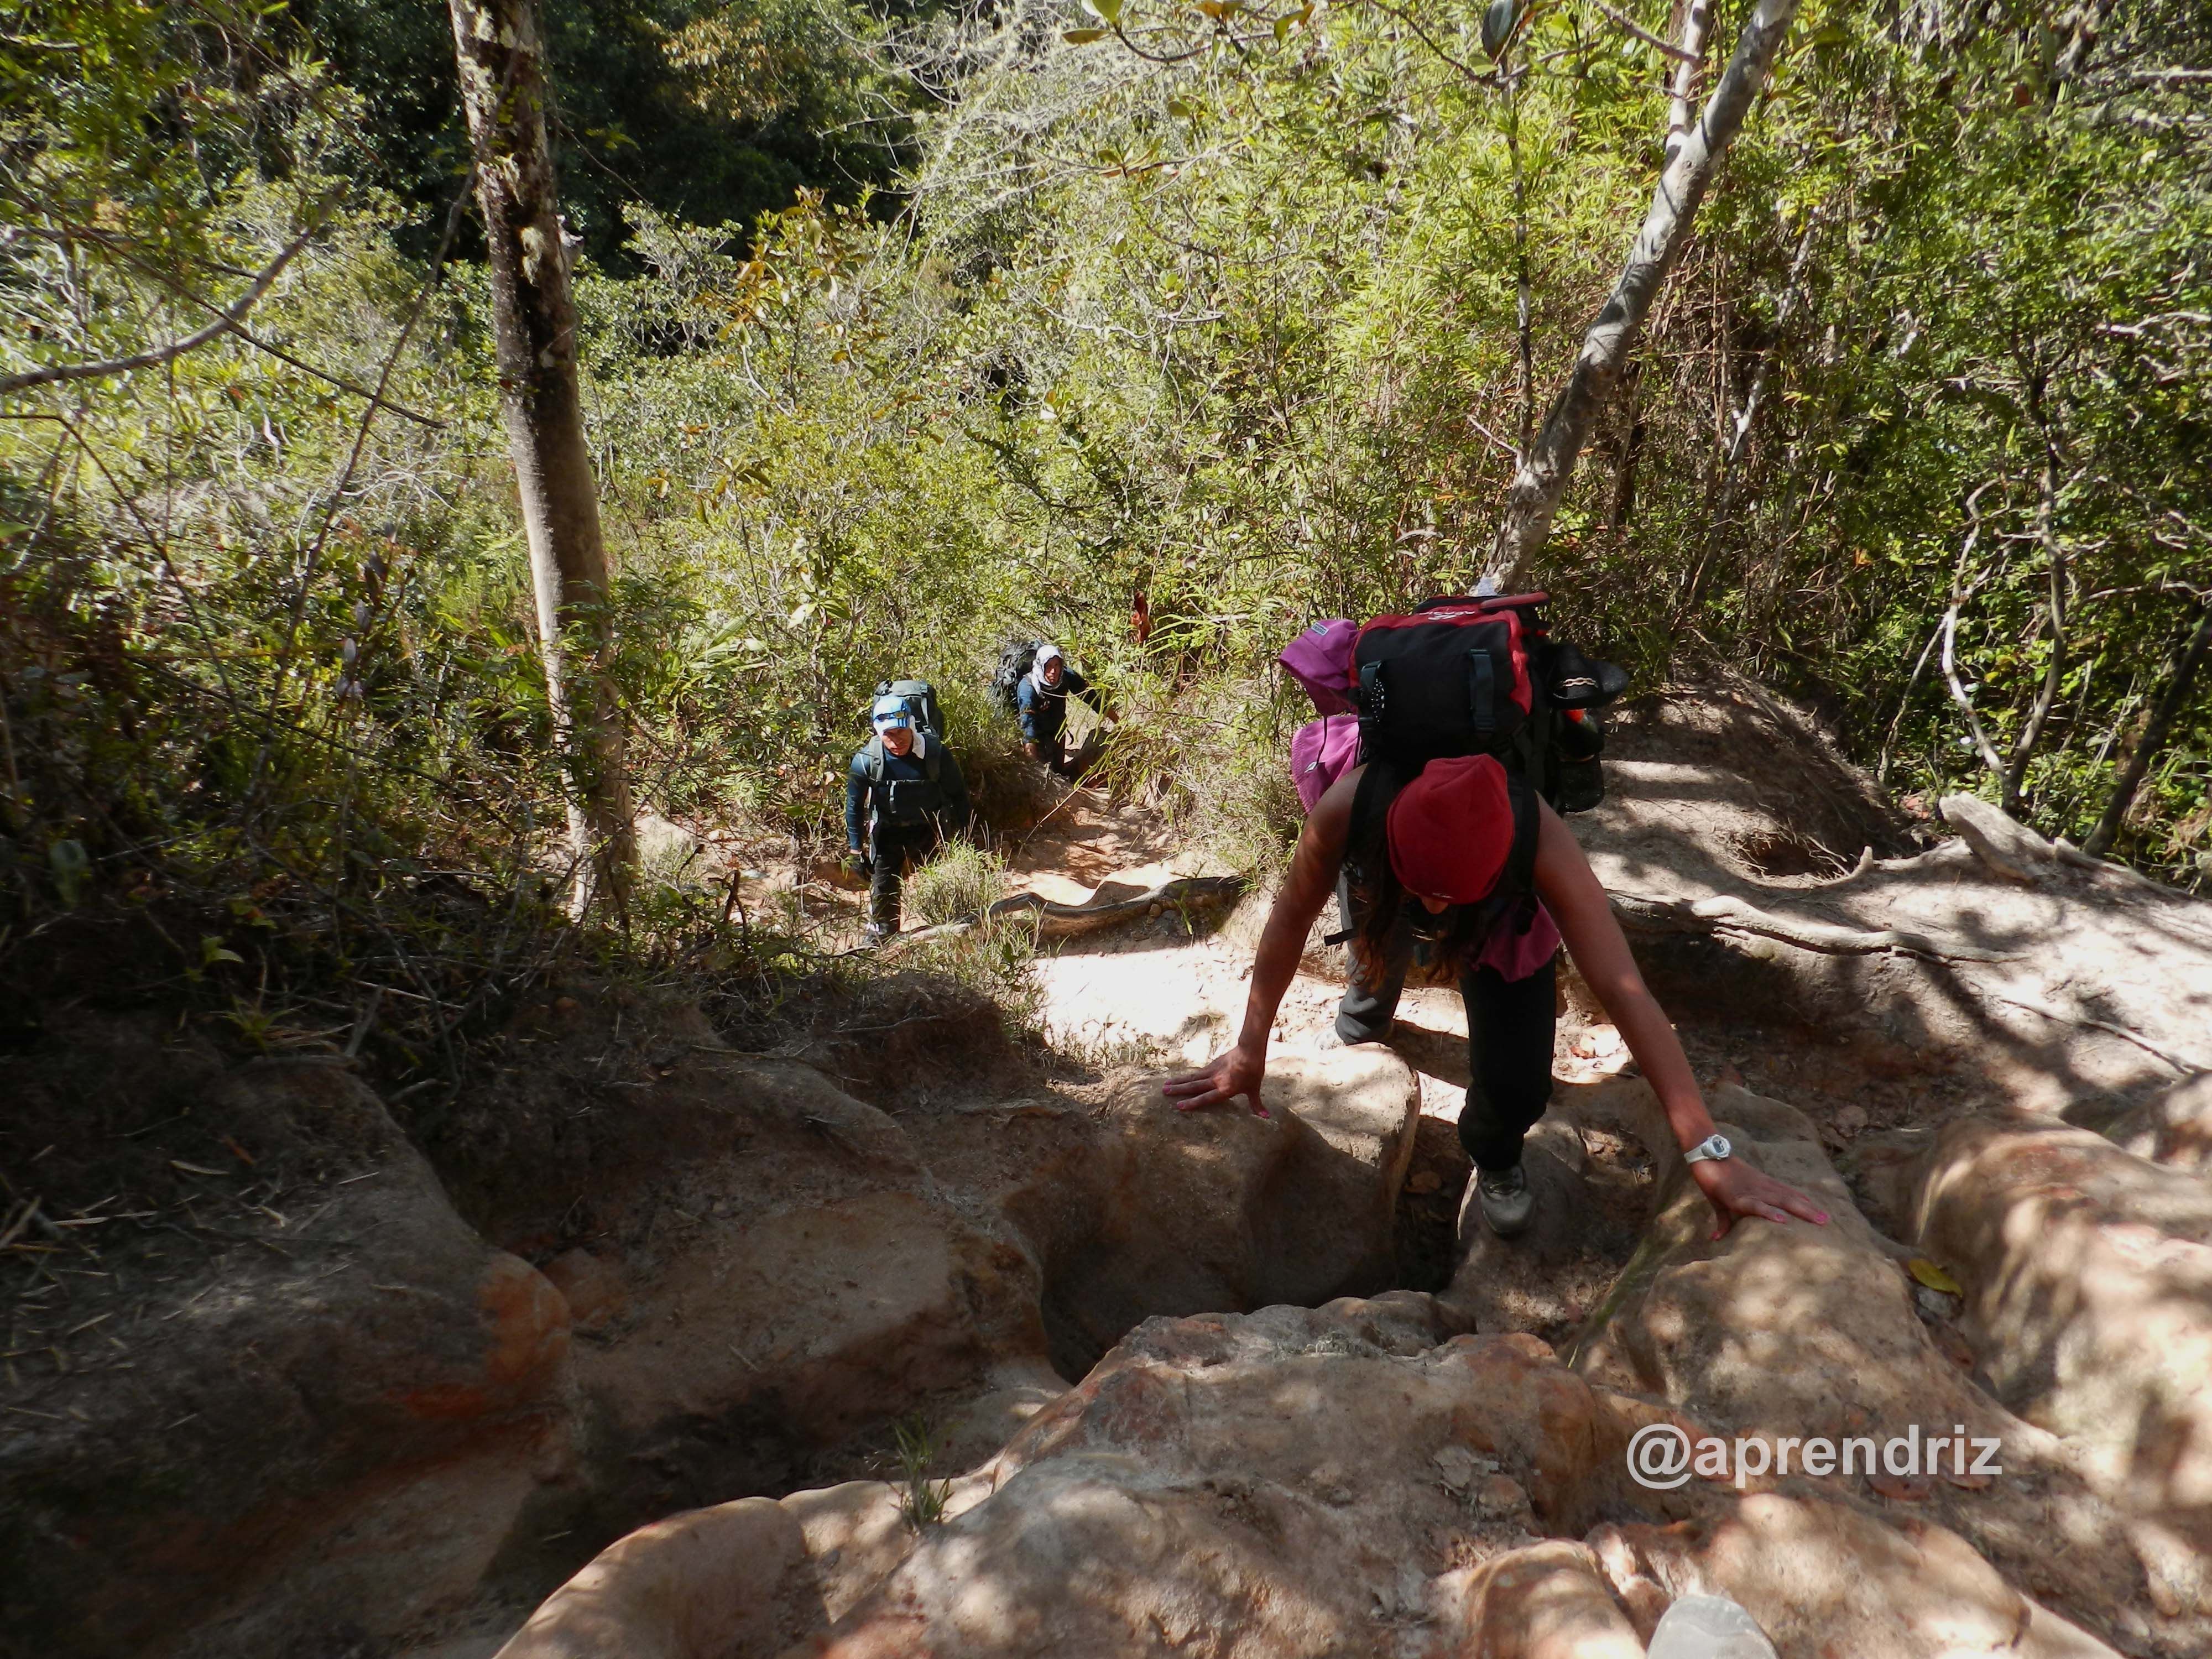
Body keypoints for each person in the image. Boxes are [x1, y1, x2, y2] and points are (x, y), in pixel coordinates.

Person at [1162, 754, 1830, 1242]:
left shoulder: (1535, 835)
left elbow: (1626, 992)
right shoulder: (1349, 807)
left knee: (1518, 1083)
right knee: (1375, 966)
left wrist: (1707, 1152)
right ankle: (1362, 1033)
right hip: (1383, 875)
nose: (1432, 909)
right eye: (1425, 890)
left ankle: (1496, 1152)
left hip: (1497, 910)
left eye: (1445, 898)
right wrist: (1249, 1050)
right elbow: (1286, 923)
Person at [844, 694, 973, 943]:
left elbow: (958, 795)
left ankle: (946, 935)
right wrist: (855, 850)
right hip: (888, 832)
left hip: (930, 830)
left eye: (900, 732)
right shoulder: (866, 761)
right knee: (883, 887)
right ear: (878, 731)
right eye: (888, 735)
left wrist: (964, 838)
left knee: (940, 884)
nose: (896, 741)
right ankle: (882, 939)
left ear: (911, 725)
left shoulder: (935, 753)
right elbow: (854, 806)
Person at [1016, 644, 1104, 776]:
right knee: (1041, 774)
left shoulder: (1066, 676)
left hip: (1058, 730)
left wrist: (1120, 722)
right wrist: (1033, 772)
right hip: (1036, 737)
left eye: (1057, 666)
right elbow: (1028, 729)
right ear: (1041, 666)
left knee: (1058, 772)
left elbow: (1093, 699)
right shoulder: (1028, 688)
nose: (1054, 671)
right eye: (1049, 666)